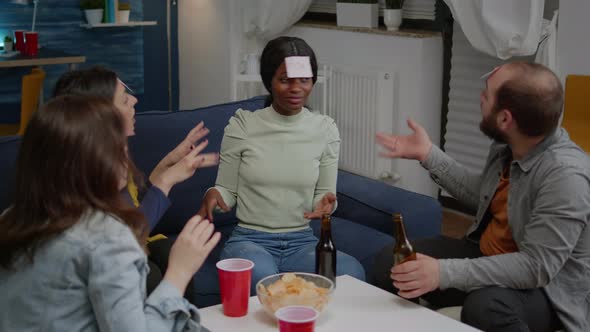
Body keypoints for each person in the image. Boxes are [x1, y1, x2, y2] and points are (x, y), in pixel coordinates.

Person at [373, 62, 590, 332]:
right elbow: (484, 197)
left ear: (505, 119)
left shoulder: (566, 177)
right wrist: (427, 154)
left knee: (486, 307)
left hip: (548, 289)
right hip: (486, 255)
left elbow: (537, 266)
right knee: (391, 264)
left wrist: (443, 272)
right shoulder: (508, 144)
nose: (480, 98)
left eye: (486, 95)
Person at [0, 95, 220, 331]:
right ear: (92, 163)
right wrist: (180, 270)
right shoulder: (108, 238)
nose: (127, 157)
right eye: (119, 148)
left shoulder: (10, 219)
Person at [198, 36, 365, 291]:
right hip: (250, 241)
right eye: (285, 80)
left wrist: (325, 205)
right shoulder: (243, 125)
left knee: (351, 273)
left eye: (304, 80)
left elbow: (324, 196)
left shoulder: (325, 130)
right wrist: (212, 195)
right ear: (270, 81)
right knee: (262, 278)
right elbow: (227, 192)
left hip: (303, 243)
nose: (296, 88)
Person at [52, 66, 219, 302]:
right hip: (112, 257)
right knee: (148, 277)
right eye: (124, 98)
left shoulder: (110, 152)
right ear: (99, 115)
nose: (134, 100)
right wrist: (165, 181)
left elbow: (132, 205)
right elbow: (122, 237)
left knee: (169, 253)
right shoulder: (80, 175)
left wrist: (167, 164)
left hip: (134, 244)